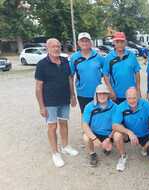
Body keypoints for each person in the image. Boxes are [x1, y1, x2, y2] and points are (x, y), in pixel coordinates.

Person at [35, 38, 79, 168]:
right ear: (47, 48)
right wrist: (41, 106)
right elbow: (38, 87)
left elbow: (70, 79)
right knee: (52, 127)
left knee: (64, 123)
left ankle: (65, 146)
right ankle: (55, 152)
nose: (56, 49)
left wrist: (73, 95)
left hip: (64, 99)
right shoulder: (42, 64)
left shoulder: (65, 61)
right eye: (53, 46)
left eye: (58, 46)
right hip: (50, 102)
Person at [112, 87, 149, 171]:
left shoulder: (145, 104)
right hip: (128, 134)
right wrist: (129, 132)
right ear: (126, 98)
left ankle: (144, 148)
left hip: (145, 133)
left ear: (138, 97)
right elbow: (114, 125)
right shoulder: (121, 107)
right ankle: (123, 156)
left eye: (134, 98)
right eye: (129, 98)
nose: (132, 101)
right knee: (117, 135)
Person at [81, 84, 119, 167]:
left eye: (104, 93)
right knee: (85, 137)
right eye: (99, 94)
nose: (102, 96)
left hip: (109, 133)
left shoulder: (115, 107)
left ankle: (109, 146)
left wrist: (109, 138)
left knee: (118, 135)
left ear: (108, 95)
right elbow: (84, 125)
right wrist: (94, 139)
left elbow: (118, 124)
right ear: (96, 95)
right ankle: (92, 154)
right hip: (95, 133)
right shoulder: (89, 106)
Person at [69, 32, 104, 113]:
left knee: (98, 116)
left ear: (90, 42)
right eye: (82, 41)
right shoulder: (74, 57)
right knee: (85, 116)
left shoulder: (98, 56)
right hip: (82, 93)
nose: (85, 43)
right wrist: (72, 94)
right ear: (78, 43)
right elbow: (70, 76)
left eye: (87, 41)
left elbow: (106, 72)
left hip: (98, 93)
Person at [103, 32, 141, 104]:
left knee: (131, 114)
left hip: (131, 94)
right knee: (118, 114)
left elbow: (137, 72)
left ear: (125, 43)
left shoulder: (131, 56)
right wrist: (110, 90)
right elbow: (105, 75)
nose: (120, 44)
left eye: (122, 42)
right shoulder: (109, 57)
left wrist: (138, 90)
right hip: (116, 94)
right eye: (117, 42)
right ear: (114, 42)